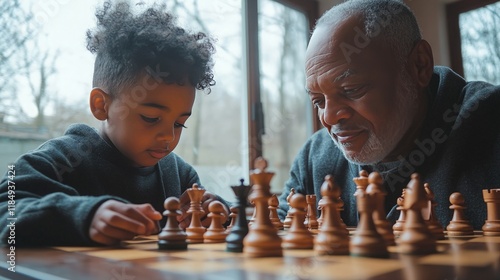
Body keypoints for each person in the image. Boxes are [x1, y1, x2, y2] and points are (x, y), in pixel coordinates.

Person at [0, 1, 229, 246]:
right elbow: (6, 208)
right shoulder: (61, 159)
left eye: (179, 124)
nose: (168, 137)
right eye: (151, 118)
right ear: (101, 105)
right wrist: (85, 215)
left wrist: (216, 210)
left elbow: (212, 210)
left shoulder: (180, 174)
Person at [278, 0, 500, 230]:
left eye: (351, 89)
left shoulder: (492, 124)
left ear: (419, 66)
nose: (330, 117)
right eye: (318, 101)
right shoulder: (314, 159)